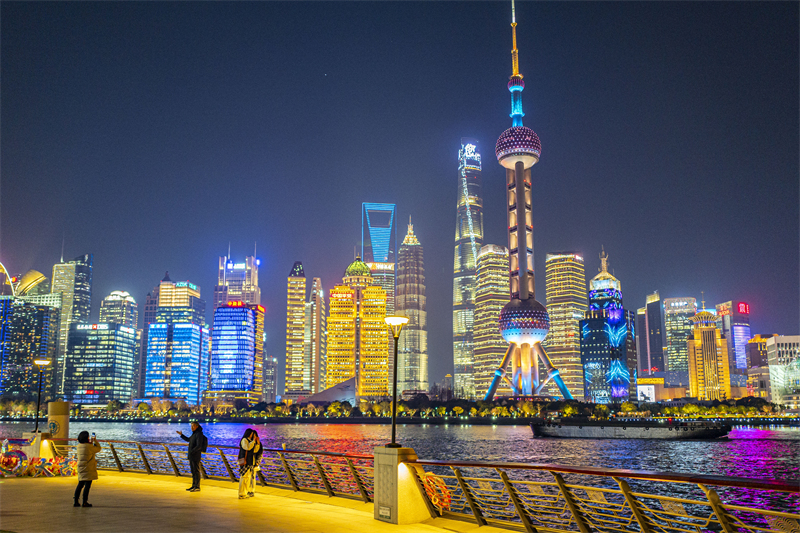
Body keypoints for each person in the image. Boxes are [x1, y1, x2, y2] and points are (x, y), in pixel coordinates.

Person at [74, 431, 101, 507]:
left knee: (80, 484)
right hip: (88, 467)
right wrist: (95, 440)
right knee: (87, 485)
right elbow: (98, 449)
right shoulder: (90, 446)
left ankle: (76, 501)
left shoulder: (79, 446)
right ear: (87, 438)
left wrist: (90, 443)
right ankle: (84, 502)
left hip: (81, 467)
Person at [177, 422, 206, 492]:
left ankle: (197, 487)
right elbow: (188, 440)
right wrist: (181, 435)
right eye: (191, 426)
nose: (191, 427)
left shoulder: (199, 434)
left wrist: (192, 451)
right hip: (192, 455)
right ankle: (193, 485)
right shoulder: (194, 434)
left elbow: (198, 446)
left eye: (193, 426)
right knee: (193, 471)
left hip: (195, 455)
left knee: (196, 471)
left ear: (197, 426)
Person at [237, 428, 262, 499]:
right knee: (244, 478)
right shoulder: (244, 440)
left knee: (247, 478)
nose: (252, 435)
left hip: (250, 462)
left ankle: (245, 492)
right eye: (251, 434)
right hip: (245, 462)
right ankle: (242, 494)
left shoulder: (251, 441)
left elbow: (255, 450)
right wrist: (253, 441)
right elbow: (247, 448)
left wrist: (257, 443)